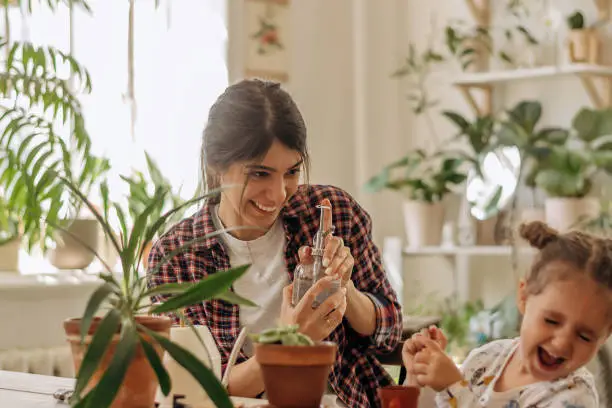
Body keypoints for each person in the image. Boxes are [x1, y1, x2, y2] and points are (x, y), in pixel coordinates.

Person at [146, 78, 402, 408]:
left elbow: (389, 332)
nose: (279, 194)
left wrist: (346, 290)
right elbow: (200, 392)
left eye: (292, 172)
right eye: (260, 174)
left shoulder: (331, 211)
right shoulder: (176, 257)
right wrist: (290, 342)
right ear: (216, 166)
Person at [402, 220, 612, 407]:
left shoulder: (574, 398)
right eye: (551, 321)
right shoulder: (487, 359)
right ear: (523, 297)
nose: (562, 343)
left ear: (606, 335)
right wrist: (418, 378)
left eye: (584, 336)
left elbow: (455, 396)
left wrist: (453, 388)